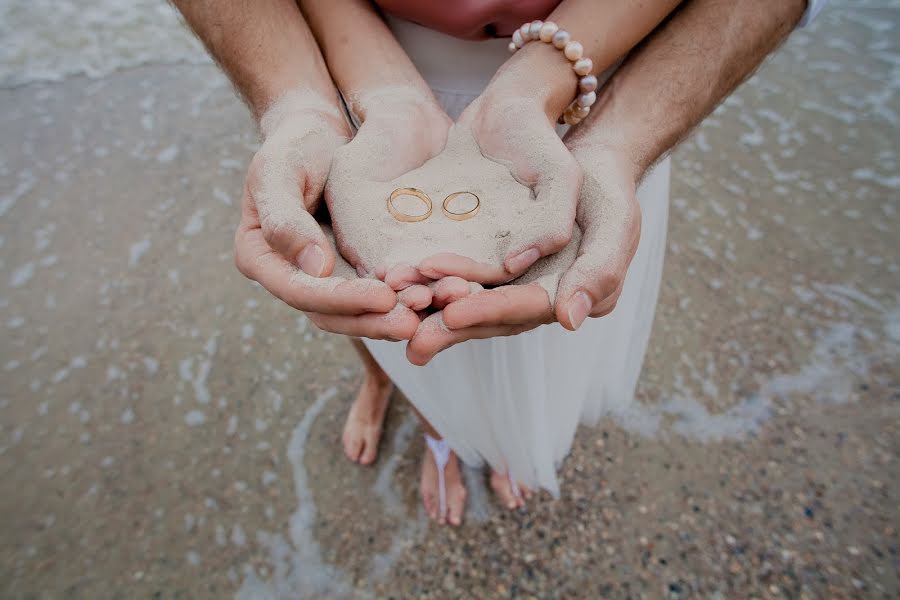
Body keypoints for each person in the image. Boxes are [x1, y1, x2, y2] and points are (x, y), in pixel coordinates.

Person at [174, 0, 825, 526]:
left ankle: (491, 432)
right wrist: (309, 102)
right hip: (351, 78)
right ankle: (397, 396)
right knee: (366, 278)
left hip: (600, 90)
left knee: (529, 286)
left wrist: (603, 137)